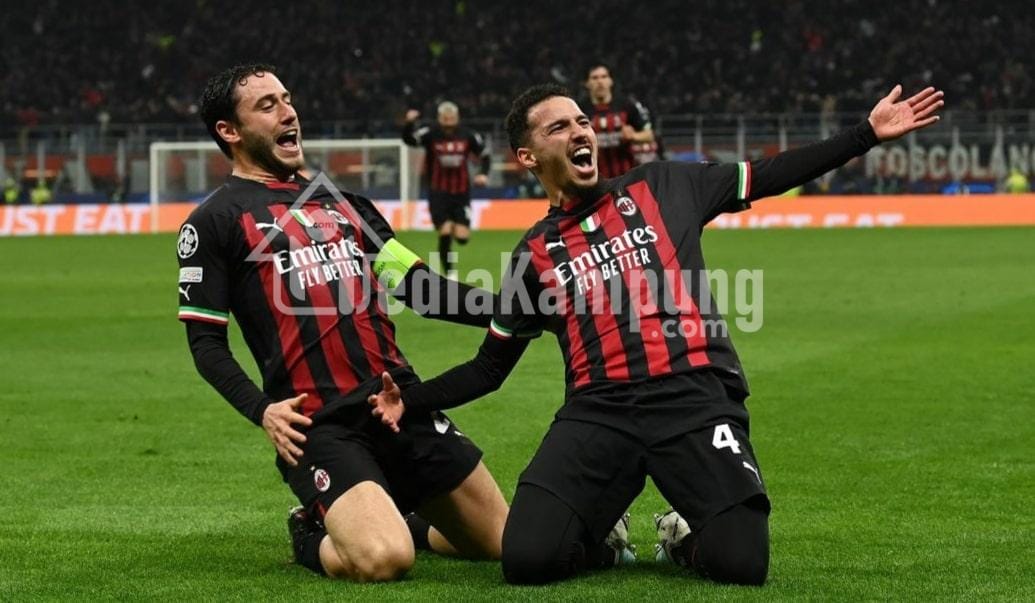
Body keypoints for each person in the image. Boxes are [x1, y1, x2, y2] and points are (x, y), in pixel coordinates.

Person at [370, 82, 944, 585]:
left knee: (742, 563)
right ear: (528, 155)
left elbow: (769, 175)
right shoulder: (534, 254)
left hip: (695, 398)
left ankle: (679, 533)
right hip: (599, 411)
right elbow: (489, 367)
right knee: (527, 560)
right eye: (558, 127)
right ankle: (604, 534)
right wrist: (408, 400)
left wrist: (864, 134)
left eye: (582, 122)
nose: (580, 131)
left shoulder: (666, 186)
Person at [178, 64, 508, 582]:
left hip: (398, 401)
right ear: (229, 130)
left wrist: (515, 308)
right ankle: (311, 533)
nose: (288, 112)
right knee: (383, 560)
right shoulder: (214, 223)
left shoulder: (347, 206)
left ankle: (402, 522)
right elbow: (206, 344)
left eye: (287, 99)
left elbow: (420, 290)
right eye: (267, 105)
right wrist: (262, 411)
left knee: (501, 543)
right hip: (322, 422)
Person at [402, 101, 491, 276]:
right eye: (445, 118)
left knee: (462, 237)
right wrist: (409, 123)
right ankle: (450, 272)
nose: (449, 122)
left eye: (451, 118)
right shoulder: (431, 133)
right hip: (438, 193)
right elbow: (410, 140)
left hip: (461, 193)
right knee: (445, 230)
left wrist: (483, 173)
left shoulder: (468, 135)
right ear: (440, 118)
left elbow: (485, 154)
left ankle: (454, 240)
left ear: (457, 118)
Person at [581, 63, 656, 178]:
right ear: (587, 83)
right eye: (595, 78)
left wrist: (633, 136)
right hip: (595, 179)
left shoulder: (627, 105)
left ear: (610, 81)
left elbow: (650, 135)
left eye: (604, 77)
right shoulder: (580, 110)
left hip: (626, 177)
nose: (600, 81)